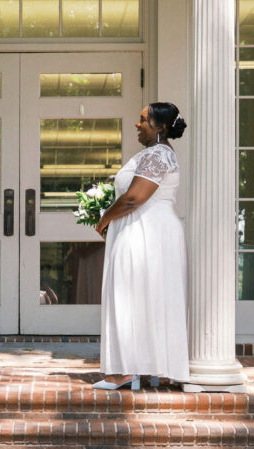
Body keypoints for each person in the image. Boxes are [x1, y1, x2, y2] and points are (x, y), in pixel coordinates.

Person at [93, 102, 190, 390]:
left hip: (146, 233)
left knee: (131, 297)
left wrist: (104, 219)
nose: (137, 125)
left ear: (159, 127)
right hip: (149, 231)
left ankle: (126, 370)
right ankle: (142, 365)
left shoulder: (158, 154)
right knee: (144, 296)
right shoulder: (155, 154)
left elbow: (135, 198)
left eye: (142, 120)